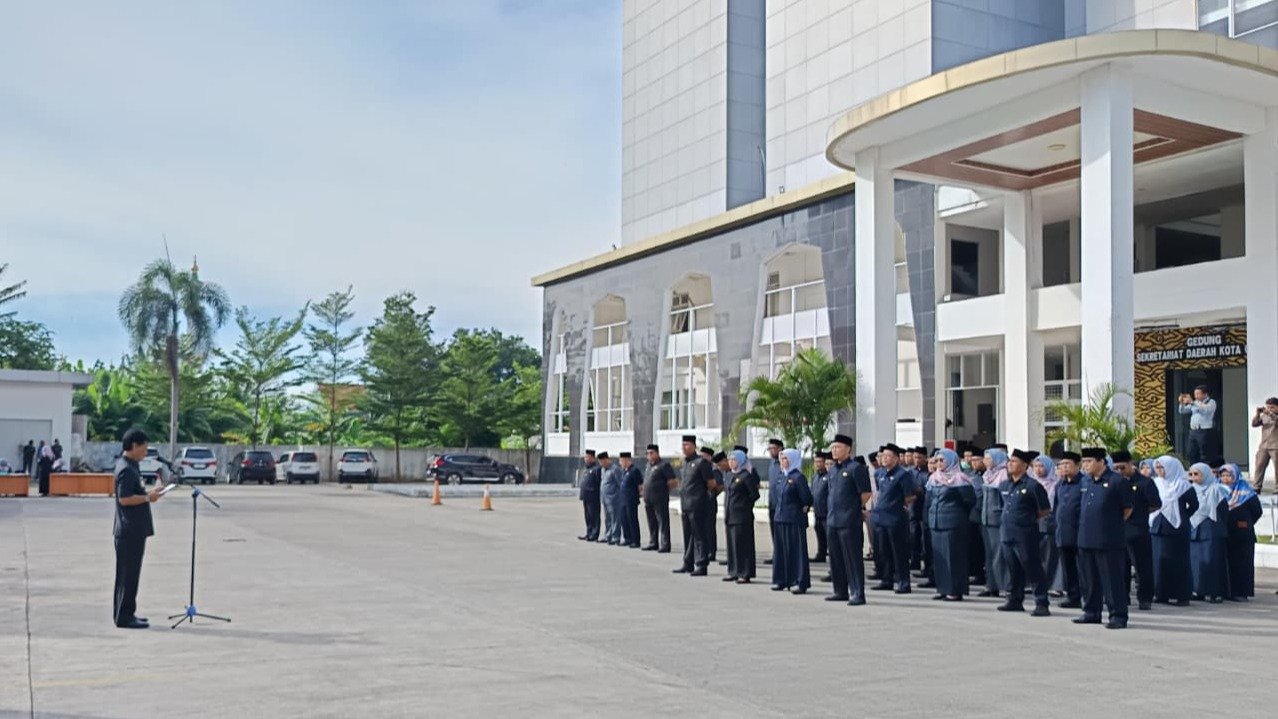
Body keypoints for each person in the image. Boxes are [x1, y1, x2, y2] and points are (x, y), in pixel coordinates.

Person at [1074, 448, 1133, 629]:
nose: (1085, 465)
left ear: (1101, 462)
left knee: (1111, 579)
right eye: (1084, 462)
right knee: (1089, 579)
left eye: (1089, 461)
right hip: (1086, 538)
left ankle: (1117, 615)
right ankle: (1091, 611)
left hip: (1108, 539)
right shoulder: (1086, 482)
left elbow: (1127, 509)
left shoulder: (1116, 481)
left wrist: (1111, 524)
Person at [113, 428, 164, 629]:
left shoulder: (131, 465)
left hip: (134, 530)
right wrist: (147, 498)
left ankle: (128, 612)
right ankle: (124, 617)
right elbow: (124, 499)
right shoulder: (126, 468)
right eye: (144, 448)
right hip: (129, 531)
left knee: (131, 575)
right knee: (127, 576)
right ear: (133, 446)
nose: (145, 452)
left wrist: (150, 493)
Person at [997, 449, 1052, 616]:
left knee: (1032, 567)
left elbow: (1044, 510)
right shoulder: (1005, 484)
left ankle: (1041, 602)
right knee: (1013, 568)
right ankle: (1014, 599)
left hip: (1025, 533)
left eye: (1014, 461)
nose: (1010, 464)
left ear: (1025, 465)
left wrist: (1026, 518)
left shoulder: (1033, 486)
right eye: (1009, 461)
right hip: (1007, 532)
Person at [825, 435, 872, 606]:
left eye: (837, 447)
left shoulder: (856, 468)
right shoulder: (832, 470)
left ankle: (858, 592)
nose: (834, 450)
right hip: (833, 520)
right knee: (836, 558)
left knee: (852, 558)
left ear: (848, 449)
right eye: (833, 447)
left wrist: (853, 507)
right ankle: (840, 591)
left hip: (849, 521)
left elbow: (866, 493)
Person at [1112, 450, 1160, 611]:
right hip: (1119, 530)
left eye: (1122, 468)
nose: (1119, 471)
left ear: (1131, 464)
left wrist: (1139, 514)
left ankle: (1145, 598)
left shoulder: (1145, 483)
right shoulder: (1115, 482)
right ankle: (1122, 597)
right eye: (1116, 468)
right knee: (1120, 566)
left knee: (1143, 566)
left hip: (1138, 529)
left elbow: (1155, 504)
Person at [926, 449, 977, 602]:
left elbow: (969, 501)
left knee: (954, 558)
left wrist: (957, 514)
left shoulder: (960, 479)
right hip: (936, 522)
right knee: (940, 558)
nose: (939, 464)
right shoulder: (934, 479)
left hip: (953, 523)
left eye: (943, 460)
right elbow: (929, 501)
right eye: (937, 461)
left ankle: (955, 590)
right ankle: (943, 588)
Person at [1150, 456, 1198, 606]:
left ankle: (1181, 595)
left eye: (1162, 467)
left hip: (1177, 530)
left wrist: (1184, 517)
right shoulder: (1155, 483)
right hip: (1158, 528)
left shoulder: (1183, 485)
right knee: (1158, 562)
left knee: (1178, 563)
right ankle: (1160, 593)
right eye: (1157, 467)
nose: (1159, 471)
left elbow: (1194, 505)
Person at [870, 444, 915, 594]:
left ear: (896, 459)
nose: (884, 459)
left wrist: (899, 505)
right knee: (883, 551)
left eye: (888, 456)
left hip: (895, 518)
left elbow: (909, 496)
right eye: (883, 456)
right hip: (880, 517)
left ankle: (903, 582)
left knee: (899, 552)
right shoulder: (879, 473)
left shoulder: (903, 474)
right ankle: (886, 579)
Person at [770, 448, 813, 594]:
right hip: (780, 518)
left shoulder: (798, 477)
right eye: (782, 459)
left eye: (786, 459)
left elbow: (806, 498)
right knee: (780, 551)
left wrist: (803, 508)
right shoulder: (781, 476)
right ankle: (781, 580)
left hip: (794, 519)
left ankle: (799, 581)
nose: (783, 462)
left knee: (797, 551)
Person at [1187, 462, 1229, 603]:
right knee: (1196, 562)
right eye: (1191, 474)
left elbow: (1224, 510)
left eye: (1196, 474)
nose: (1193, 477)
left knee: (1212, 561)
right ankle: (1197, 590)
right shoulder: (1191, 489)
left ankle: (1214, 592)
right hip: (1194, 529)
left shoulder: (1216, 489)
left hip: (1211, 529)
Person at [1218, 463, 1262, 600]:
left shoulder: (1247, 493)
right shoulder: (1218, 491)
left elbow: (1257, 511)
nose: (1226, 478)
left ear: (1235, 476)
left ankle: (1241, 592)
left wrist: (1246, 523)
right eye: (1223, 475)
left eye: (1229, 475)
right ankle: (1227, 591)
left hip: (1242, 535)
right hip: (1224, 533)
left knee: (1242, 564)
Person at [673, 435, 714, 577]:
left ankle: (702, 564)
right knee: (687, 535)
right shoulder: (684, 463)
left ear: (694, 446)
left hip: (698, 504)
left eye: (687, 445)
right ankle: (688, 562)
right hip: (685, 504)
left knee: (699, 535)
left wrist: (702, 497)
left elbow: (711, 484)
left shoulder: (701, 462)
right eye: (683, 445)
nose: (684, 448)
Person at [1053, 452, 1084, 609]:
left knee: (1084, 568)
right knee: (1068, 567)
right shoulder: (1060, 484)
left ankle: (1088, 597)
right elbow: (1056, 508)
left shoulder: (1084, 483)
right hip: (1063, 533)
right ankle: (1073, 596)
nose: (1064, 467)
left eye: (1067, 464)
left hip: (1080, 533)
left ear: (1077, 466)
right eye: (1061, 464)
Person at [723, 450, 759, 584]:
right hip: (730, 515)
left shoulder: (746, 476)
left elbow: (754, 495)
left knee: (743, 545)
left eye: (734, 460)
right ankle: (733, 571)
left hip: (742, 516)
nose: (731, 462)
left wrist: (744, 506)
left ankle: (745, 572)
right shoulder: (728, 475)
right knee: (732, 544)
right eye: (730, 460)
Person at [977, 448, 1009, 598]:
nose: (986, 461)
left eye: (989, 458)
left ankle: (1004, 585)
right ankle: (991, 585)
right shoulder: (988, 475)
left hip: (998, 520)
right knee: (988, 554)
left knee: (999, 554)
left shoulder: (1004, 475)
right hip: (986, 519)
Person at [1031, 454, 1060, 601]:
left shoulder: (1055, 484)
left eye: (1041, 466)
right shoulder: (1032, 483)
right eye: (1036, 466)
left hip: (1049, 522)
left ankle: (1050, 584)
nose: (1038, 469)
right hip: (1033, 522)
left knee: (1049, 556)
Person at [641, 444, 675, 553]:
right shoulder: (648, 465)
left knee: (663, 521)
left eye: (652, 453)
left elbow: (672, 482)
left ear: (657, 453)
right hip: (648, 498)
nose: (649, 455)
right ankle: (653, 542)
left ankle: (665, 544)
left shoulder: (664, 465)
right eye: (648, 453)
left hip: (660, 498)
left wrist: (663, 491)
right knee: (651, 521)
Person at [963, 448, 987, 587]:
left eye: (977, 460)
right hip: (973, 515)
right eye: (972, 461)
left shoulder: (989, 475)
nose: (974, 463)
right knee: (975, 547)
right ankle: (977, 573)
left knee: (985, 548)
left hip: (985, 515)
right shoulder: (971, 475)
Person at [1178, 385, 1217, 465]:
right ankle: (1193, 469)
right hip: (1193, 431)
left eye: (1198, 394)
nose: (1196, 396)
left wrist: (1192, 402)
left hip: (1204, 431)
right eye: (1195, 394)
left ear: (1205, 394)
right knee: (1191, 452)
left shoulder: (1211, 402)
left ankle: (1205, 469)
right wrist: (1181, 402)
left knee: (1204, 453)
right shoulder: (1195, 403)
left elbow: (1206, 410)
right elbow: (1182, 411)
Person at [1250, 398, 1278, 493]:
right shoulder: (1264, 416)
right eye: (1268, 407)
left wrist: (1271, 414)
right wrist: (1258, 413)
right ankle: (1256, 486)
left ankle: (1277, 488)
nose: (1269, 409)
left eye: (1272, 407)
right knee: (1259, 465)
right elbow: (1254, 424)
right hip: (1264, 445)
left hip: (1276, 445)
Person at [763, 438, 783, 565]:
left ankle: (783, 556)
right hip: (772, 504)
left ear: (780, 448)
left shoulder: (784, 462)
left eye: (773, 448)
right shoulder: (772, 464)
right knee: (774, 532)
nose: (771, 451)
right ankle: (777, 554)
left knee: (782, 533)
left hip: (782, 505)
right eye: (769, 449)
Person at [618, 452, 643, 548]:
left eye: (622, 461)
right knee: (624, 519)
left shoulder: (634, 471)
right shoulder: (624, 471)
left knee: (632, 520)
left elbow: (640, 485)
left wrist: (640, 495)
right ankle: (627, 538)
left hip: (631, 500)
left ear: (627, 460)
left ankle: (635, 540)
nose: (620, 463)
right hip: (623, 499)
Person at [810, 451, 830, 564]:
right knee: (819, 533)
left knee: (829, 537)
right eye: (816, 461)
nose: (817, 464)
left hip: (827, 512)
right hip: (817, 512)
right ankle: (820, 554)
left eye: (820, 462)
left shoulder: (829, 476)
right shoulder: (815, 477)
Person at [578, 450, 601, 541]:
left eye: (588, 457)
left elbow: (599, 483)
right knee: (587, 517)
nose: (586, 459)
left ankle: (594, 534)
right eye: (585, 457)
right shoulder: (586, 469)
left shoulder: (596, 469)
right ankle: (589, 533)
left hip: (593, 497)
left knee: (594, 516)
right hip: (586, 497)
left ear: (593, 458)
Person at [598, 452, 621, 545]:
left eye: (602, 462)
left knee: (615, 519)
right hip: (605, 499)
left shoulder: (615, 469)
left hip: (614, 499)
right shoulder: (603, 470)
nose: (601, 464)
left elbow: (620, 483)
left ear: (607, 460)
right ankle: (608, 535)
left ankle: (615, 537)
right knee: (607, 519)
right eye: (600, 462)